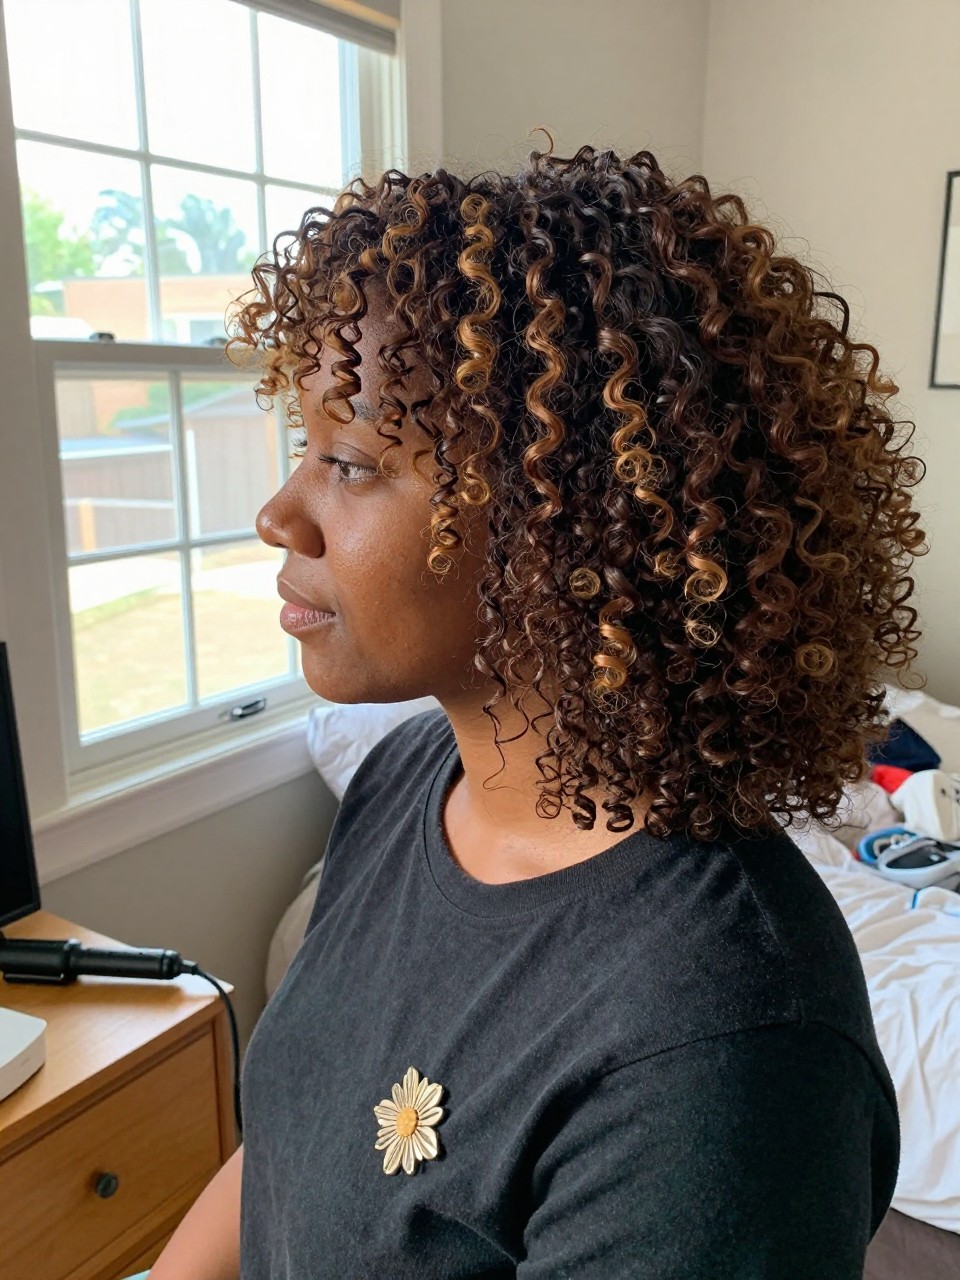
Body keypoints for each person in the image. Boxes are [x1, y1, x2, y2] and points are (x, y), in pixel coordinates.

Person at [148, 136, 925, 1279]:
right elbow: (295, 1141)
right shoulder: (411, 774)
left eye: (351, 460)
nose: (279, 512)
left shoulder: (725, 1038)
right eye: (300, 446)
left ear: (562, 519)